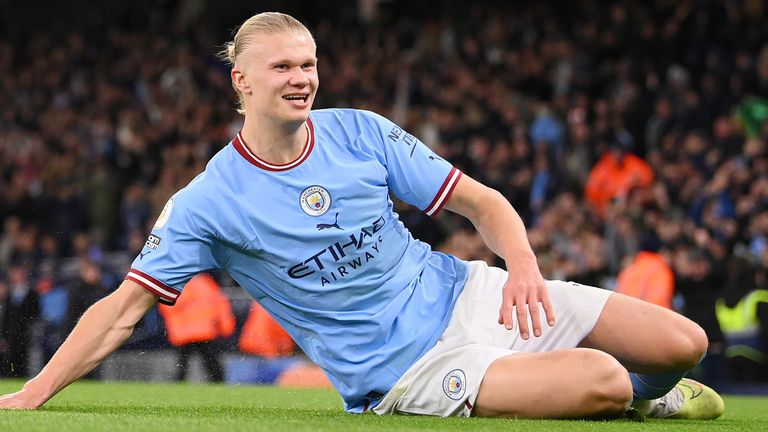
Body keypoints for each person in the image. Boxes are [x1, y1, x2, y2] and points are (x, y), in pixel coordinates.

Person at [0, 12, 724, 420]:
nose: (301, 78)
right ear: (241, 82)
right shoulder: (206, 202)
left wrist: (523, 268)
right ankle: (643, 405)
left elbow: (481, 201)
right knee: (600, 377)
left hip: (470, 293)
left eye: (308, 63)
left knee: (682, 342)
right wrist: (33, 393)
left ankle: (641, 387)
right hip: (409, 368)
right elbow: (124, 311)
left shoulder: (361, 132)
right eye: (283, 67)